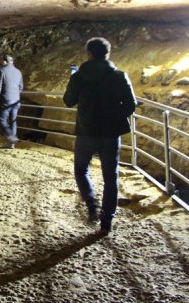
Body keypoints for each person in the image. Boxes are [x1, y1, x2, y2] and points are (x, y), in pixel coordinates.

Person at [63, 37, 137, 235]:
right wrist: (114, 118)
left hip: (86, 132)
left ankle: (92, 204)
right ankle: (107, 220)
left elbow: (68, 101)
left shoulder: (79, 76)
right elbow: (131, 105)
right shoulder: (120, 76)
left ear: (89, 53)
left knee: (81, 169)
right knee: (111, 177)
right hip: (110, 135)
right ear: (107, 53)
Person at [0, 54, 23, 149]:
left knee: (2, 120)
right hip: (16, 101)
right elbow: (21, 87)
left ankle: (11, 137)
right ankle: (12, 144)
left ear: (5, 61)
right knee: (13, 121)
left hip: (6, 100)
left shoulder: (2, 70)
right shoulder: (18, 72)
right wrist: (16, 95)